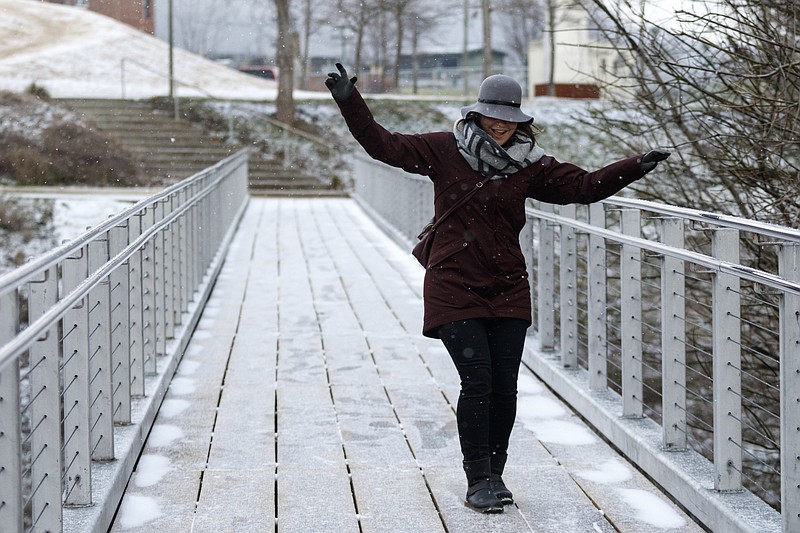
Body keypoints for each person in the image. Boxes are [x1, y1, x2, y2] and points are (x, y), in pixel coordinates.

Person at [325, 63, 670, 514]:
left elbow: (583, 187)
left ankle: (496, 474)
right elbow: (383, 145)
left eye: (509, 117)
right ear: (477, 115)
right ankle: (477, 479)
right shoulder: (443, 149)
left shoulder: (531, 166)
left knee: (506, 386)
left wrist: (633, 167)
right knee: (479, 380)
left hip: (507, 285)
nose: (502, 123)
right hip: (453, 283)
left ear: (521, 120)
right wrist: (351, 102)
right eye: (493, 115)